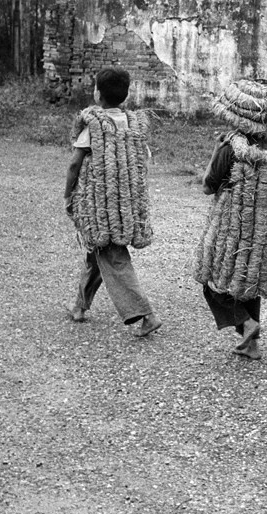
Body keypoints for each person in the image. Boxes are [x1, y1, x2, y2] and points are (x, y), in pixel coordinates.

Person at [195, 80, 267, 360]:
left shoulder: (230, 149)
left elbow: (208, 186)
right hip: (260, 232)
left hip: (231, 231)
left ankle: (245, 323)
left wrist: (215, 152)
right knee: (249, 285)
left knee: (212, 282)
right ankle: (251, 345)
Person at [64, 66, 162, 337]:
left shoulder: (94, 125)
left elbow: (74, 164)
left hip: (100, 207)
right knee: (97, 250)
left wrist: (68, 194)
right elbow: (142, 159)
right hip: (124, 204)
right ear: (126, 95)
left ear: (97, 94)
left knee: (113, 256)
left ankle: (147, 315)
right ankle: (79, 306)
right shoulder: (132, 124)